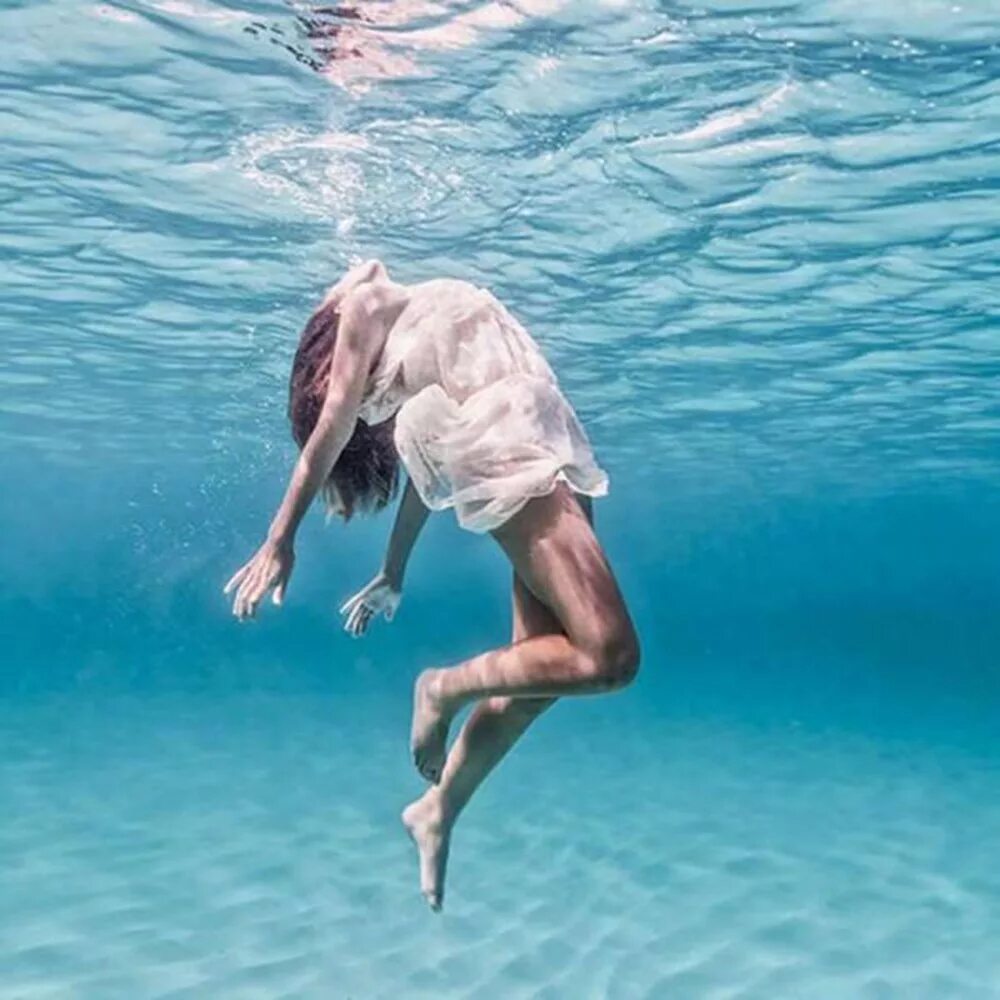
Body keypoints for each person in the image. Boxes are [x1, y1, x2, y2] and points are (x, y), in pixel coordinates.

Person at [224, 259, 639, 911]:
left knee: (538, 675)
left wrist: (394, 572)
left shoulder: (406, 324)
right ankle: (441, 687)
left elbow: (432, 470)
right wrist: (280, 536)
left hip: (543, 433)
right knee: (608, 658)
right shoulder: (363, 307)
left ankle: (438, 810)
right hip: (515, 439)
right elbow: (333, 427)